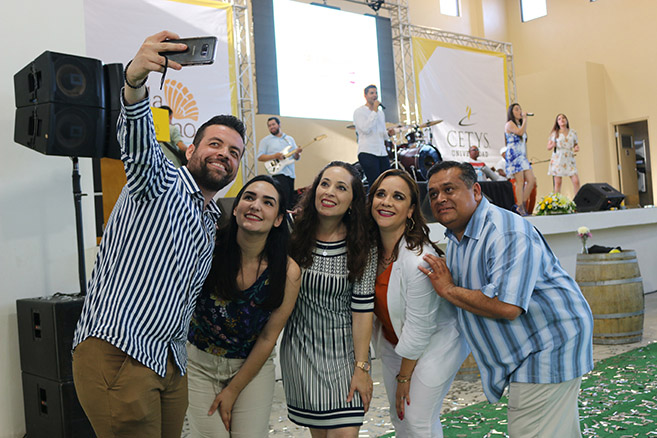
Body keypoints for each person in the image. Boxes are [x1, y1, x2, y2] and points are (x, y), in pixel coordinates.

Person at [72, 31, 246, 438]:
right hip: (121, 350)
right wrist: (134, 81)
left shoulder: (210, 220)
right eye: (215, 144)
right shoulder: (159, 180)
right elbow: (137, 142)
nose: (224, 154)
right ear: (190, 150)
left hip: (169, 360)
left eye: (234, 152)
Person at [421, 161, 594, 438]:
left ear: (476, 191)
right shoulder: (456, 236)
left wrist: (448, 290)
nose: (440, 198)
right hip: (529, 346)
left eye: (449, 189)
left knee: (529, 431)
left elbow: (508, 305)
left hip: (548, 344)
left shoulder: (505, 231)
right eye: (433, 194)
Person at [186, 175, 301, 437]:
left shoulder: (287, 272)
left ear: (278, 219)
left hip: (251, 368)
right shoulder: (208, 248)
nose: (256, 205)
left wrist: (233, 389)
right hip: (199, 365)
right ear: (236, 208)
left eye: (268, 202)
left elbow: (268, 337)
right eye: (249, 197)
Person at [368, 169, 468, 437]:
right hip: (395, 341)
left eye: (398, 197)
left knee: (417, 418)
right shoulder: (369, 251)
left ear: (411, 210)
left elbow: (420, 327)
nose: (386, 202)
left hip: (437, 341)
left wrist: (404, 377)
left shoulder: (419, 260)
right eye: (381, 194)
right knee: (399, 416)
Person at [280, 161, 377, 435]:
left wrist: (362, 367)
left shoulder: (362, 244)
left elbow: (362, 310)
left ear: (353, 201)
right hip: (301, 352)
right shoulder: (292, 231)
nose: (330, 192)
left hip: (346, 356)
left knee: (345, 432)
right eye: (325, 184)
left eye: (341, 187)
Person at [353, 85, 395, 186]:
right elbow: (365, 129)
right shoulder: (359, 112)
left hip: (382, 153)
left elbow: (382, 134)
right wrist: (374, 111)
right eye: (371, 93)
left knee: (386, 182)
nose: (375, 95)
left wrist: (388, 134)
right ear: (365, 95)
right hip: (368, 152)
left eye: (376, 93)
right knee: (374, 183)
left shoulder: (380, 113)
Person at [257, 117, 302, 209]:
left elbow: (296, 158)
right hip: (277, 173)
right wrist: (274, 156)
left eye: (273, 124)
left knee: (290, 201)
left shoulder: (289, 139)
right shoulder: (265, 141)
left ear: (279, 124)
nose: (271, 127)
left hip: (290, 174)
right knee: (283, 199)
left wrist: (297, 153)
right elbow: (260, 157)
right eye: (269, 126)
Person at [505, 103, 536, 215]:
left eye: (520, 109)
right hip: (514, 155)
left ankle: (522, 203)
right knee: (520, 181)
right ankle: (520, 206)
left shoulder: (520, 124)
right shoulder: (510, 124)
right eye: (517, 109)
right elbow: (520, 132)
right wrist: (525, 119)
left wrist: (523, 121)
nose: (520, 111)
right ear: (511, 112)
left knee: (531, 180)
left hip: (522, 156)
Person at [547, 113, 580, 194]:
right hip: (558, 158)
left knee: (576, 181)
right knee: (558, 183)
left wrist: (576, 147)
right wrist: (553, 145)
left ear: (566, 120)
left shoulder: (573, 132)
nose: (562, 120)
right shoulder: (555, 133)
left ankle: (577, 200)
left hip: (569, 158)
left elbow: (575, 144)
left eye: (563, 118)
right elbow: (548, 147)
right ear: (557, 122)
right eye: (559, 119)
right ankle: (557, 200)